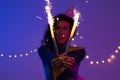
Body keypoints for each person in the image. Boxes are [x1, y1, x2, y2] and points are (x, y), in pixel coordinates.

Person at [38, 14, 86, 80]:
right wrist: (56, 60)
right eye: (58, 28)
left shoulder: (79, 51)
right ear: (53, 30)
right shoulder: (44, 50)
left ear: (70, 31)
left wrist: (69, 61)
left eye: (65, 28)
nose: (61, 32)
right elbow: (49, 57)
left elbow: (74, 59)